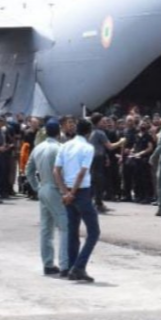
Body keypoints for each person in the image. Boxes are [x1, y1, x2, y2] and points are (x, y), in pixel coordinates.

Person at [55, 118, 100, 283]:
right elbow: (82, 173)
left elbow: (56, 171)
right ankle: (79, 266)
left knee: (73, 232)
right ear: (89, 132)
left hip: (68, 189)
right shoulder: (88, 147)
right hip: (81, 191)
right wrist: (72, 192)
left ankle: (73, 267)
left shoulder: (65, 146)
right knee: (94, 232)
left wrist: (65, 192)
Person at [25, 120, 69, 275]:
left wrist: (37, 187)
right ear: (58, 132)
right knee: (65, 226)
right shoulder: (60, 148)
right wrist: (66, 191)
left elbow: (28, 170)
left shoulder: (38, 148)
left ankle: (48, 264)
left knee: (46, 228)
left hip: (43, 187)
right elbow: (64, 172)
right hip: (55, 189)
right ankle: (65, 264)